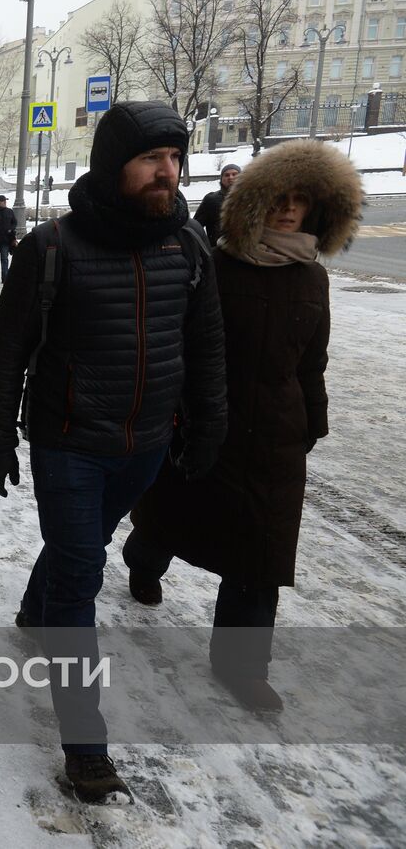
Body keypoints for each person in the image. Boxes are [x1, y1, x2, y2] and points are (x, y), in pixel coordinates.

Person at [0, 101, 227, 804]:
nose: (167, 172)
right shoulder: (52, 247)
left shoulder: (188, 248)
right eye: (152, 159)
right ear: (115, 164)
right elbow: (9, 351)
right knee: (81, 574)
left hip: (146, 445)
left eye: (175, 159)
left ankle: (35, 602)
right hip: (67, 444)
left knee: (76, 550)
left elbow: (208, 347)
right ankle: (86, 748)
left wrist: (208, 425)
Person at [123, 140, 361, 713]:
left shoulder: (312, 279)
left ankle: (242, 665)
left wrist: (314, 419)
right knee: (173, 515)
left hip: (278, 435)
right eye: (278, 199)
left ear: (316, 210)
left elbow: (312, 360)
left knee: (263, 551)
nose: (288, 210)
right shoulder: (216, 265)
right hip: (210, 421)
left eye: (299, 201)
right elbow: (181, 345)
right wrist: (178, 412)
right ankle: (144, 557)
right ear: (254, 203)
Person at [193, 162, 242, 246]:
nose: (230, 177)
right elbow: (195, 226)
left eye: (234, 174)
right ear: (221, 179)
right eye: (226, 175)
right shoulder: (211, 200)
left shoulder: (250, 198)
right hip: (218, 251)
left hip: (246, 252)